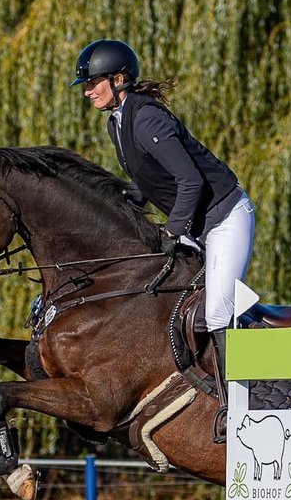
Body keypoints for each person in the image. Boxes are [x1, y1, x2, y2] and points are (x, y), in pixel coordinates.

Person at [71, 39, 255, 443]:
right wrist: (126, 200)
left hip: (224, 220)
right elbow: (151, 179)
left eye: (94, 83)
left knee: (218, 311)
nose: (87, 91)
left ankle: (235, 408)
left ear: (119, 80)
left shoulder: (148, 118)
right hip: (195, 225)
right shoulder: (117, 121)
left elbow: (189, 180)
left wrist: (172, 230)